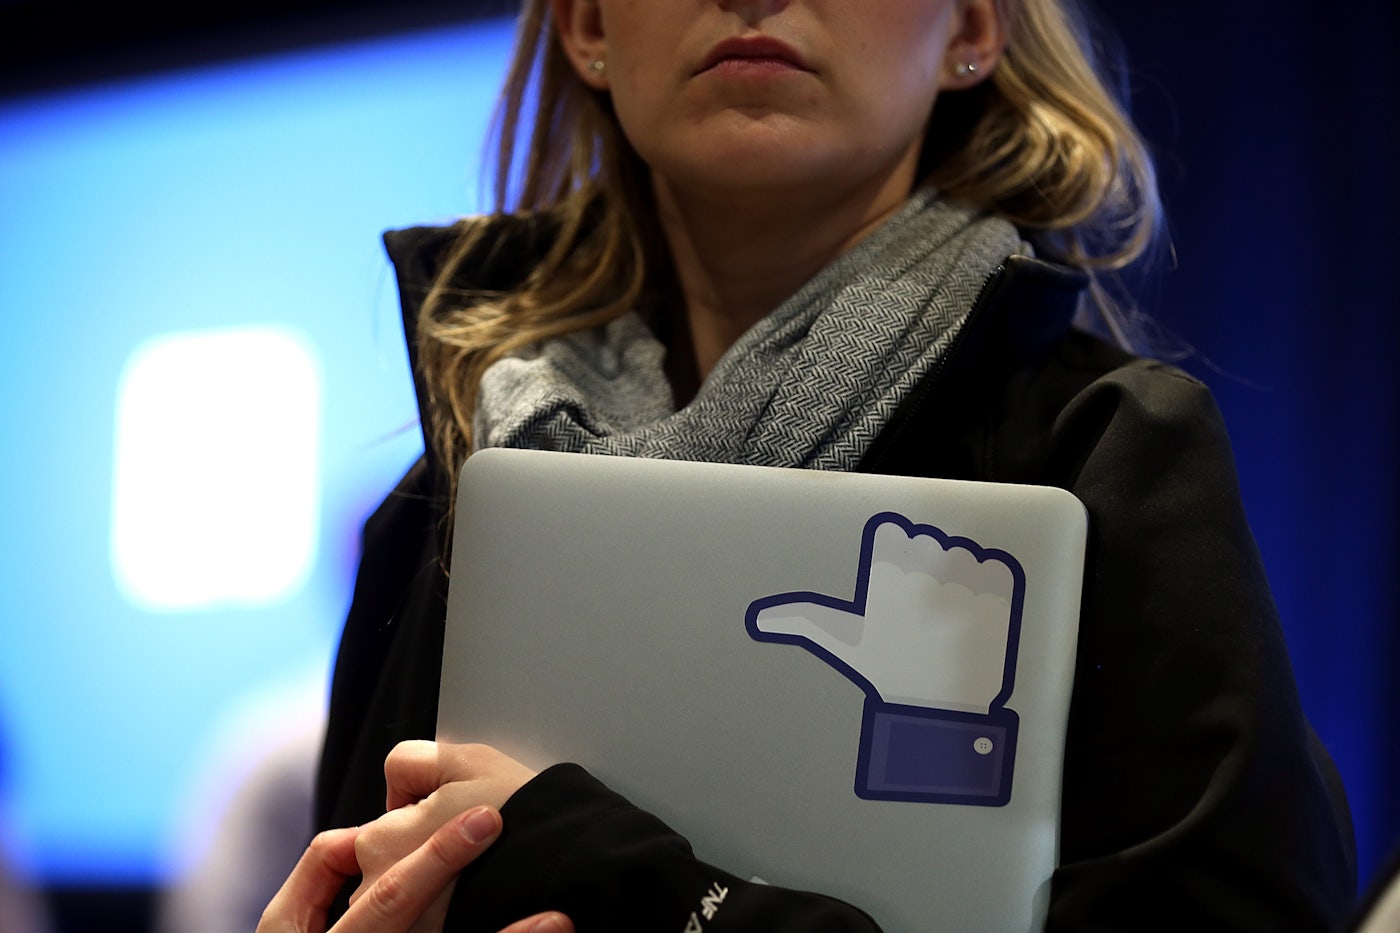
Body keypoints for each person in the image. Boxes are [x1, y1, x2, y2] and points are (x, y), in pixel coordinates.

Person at [291, 0, 1360, 929]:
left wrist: (641, 894)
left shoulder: (1102, 459)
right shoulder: (440, 506)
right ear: (587, 26)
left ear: (970, 30)